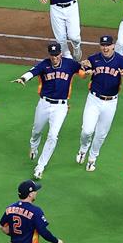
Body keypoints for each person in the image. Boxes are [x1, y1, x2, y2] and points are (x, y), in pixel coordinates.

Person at [13, 42, 81, 180]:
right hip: (44, 104)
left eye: (56, 55)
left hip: (60, 107)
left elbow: (83, 69)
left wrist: (88, 68)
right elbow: (32, 72)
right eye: (52, 55)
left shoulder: (69, 64)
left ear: (61, 53)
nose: (54, 57)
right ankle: (34, 146)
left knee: (53, 136)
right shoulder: (44, 64)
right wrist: (23, 78)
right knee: (37, 130)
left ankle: (40, 166)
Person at [75, 34, 123, 172]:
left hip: (111, 102)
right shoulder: (93, 58)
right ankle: (83, 149)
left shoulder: (120, 60)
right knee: (87, 131)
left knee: (101, 134)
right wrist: (86, 72)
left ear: (113, 46)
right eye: (103, 45)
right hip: (93, 100)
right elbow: (82, 73)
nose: (105, 48)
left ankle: (92, 159)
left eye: (108, 45)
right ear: (100, 46)